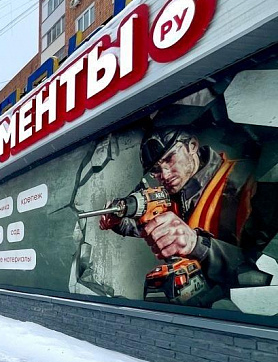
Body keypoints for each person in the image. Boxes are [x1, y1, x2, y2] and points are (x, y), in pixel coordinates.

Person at [100, 126, 275, 305]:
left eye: (169, 158)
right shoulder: (173, 196)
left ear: (192, 145)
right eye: (156, 170)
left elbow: (267, 274)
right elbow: (145, 226)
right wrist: (118, 219)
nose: (165, 174)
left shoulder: (249, 181)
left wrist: (196, 244)